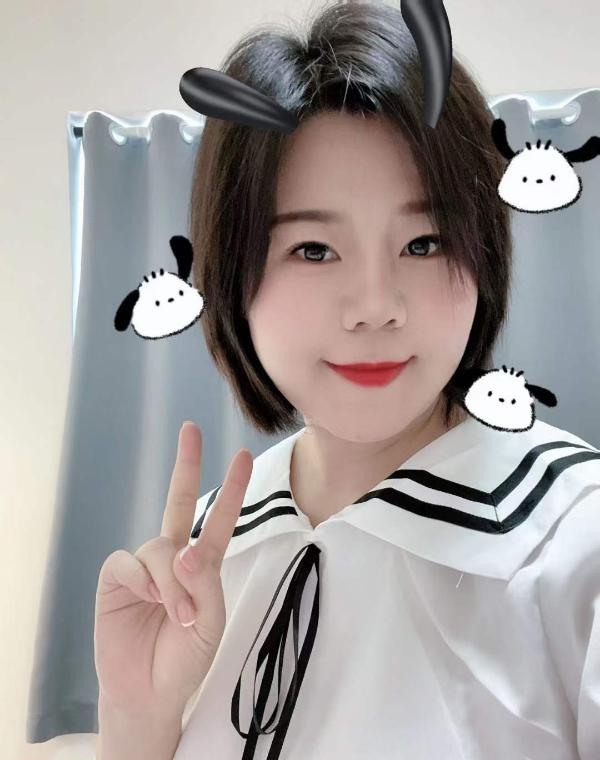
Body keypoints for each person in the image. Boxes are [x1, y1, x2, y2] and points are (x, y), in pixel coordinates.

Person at [95, 3, 600, 759]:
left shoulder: (578, 541)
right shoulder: (202, 555)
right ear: (233, 276)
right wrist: (137, 719)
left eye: (424, 243)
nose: (374, 306)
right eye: (314, 250)